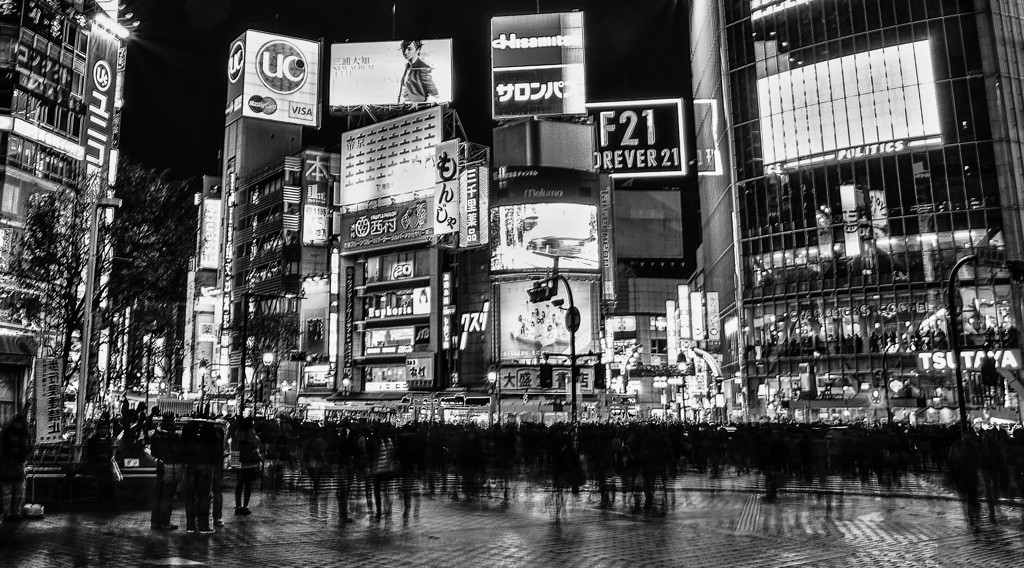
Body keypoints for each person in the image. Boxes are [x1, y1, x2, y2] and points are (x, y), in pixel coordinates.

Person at [181, 419, 218, 534]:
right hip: (205, 464)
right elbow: (215, 447)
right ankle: (203, 525)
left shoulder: (188, 427)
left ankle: (190, 525)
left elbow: (182, 445)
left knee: (190, 495)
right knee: (203, 495)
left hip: (191, 464)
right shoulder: (210, 428)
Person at [149, 413, 182, 530]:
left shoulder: (156, 436)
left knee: (157, 496)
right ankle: (164, 522)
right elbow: (179, 453)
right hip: (171, 467)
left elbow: (153, 452)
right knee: (167, 497)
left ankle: (155, 522)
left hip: (159, 467)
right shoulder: (175, 438)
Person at [0, 414, 31, 522]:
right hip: (16, 465)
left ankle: (9, 513)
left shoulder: (5, 434)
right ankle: (14, 513)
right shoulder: (24, 435)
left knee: (8, 491)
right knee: (16, 491)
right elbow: (26, 451)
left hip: (8, 466)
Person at [232, 416, 262, 515]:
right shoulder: (250, 432)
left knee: (239, 484)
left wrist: (234, 462)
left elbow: (234, 446)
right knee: (248, 484)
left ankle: (238, 505)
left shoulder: (237, 432)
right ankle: (245, 506)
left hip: (240, 460)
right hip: (249, 461)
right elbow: (256, 443)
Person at [397, 39, 438, 103]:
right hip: (406, 107)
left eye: (409, 49)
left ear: (417, 50)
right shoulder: (407, 66)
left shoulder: (423, 68)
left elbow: (434, 93)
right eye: (403, 48)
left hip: (418, 108)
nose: (405, 52)